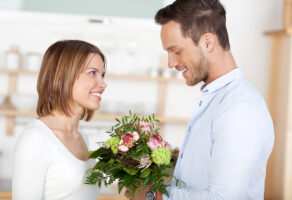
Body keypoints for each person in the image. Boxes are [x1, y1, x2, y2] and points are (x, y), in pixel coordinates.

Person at [125, 0, 274, 199]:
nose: (171, 63)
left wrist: (153, 195)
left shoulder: (239, 108)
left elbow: (224, 198)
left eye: (176, 51)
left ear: (208, 42)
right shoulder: (215, 97)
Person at [12, 40, 107, 200]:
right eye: (92, 73)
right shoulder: (36, 139)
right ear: (64, 76)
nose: (103, 84)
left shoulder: (81, 137)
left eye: (102, 75)